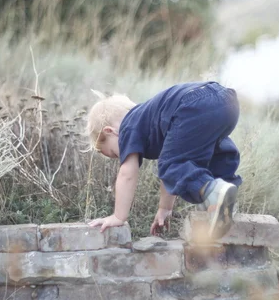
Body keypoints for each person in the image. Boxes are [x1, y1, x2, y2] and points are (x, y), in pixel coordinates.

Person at [86, 81, 242, 239]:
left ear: (110, 131)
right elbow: (172, 164)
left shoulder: (127, 127)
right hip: (227, 102)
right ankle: (223, 198)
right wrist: (165, 208)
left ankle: (214, 191)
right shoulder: (149, 119)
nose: (121, 157)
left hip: (193, 104)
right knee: (212, 155)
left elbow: (127, 174)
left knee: (170, 166)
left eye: (114, 153)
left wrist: (118, 217)